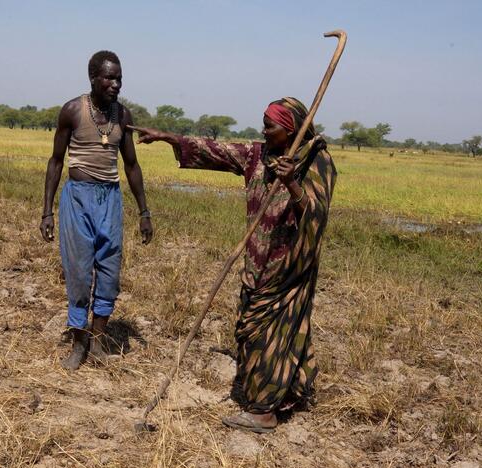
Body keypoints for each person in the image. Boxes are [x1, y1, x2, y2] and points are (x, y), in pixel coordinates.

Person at [131, 97, 336, 433]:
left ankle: (263, 412)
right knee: (253, 330)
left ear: (291, 129)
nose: (264, 130)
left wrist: (292, 184)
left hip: (288, 268)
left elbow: (316, 217)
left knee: (270, 336)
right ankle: (288, 392)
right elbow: (218, 150)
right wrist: (170, 138)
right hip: (256, 261)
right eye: (264, 123)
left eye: (270, 125)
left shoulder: (316, 162)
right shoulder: (258, 155)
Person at [40, 50, 154, 370]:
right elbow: (56, 161)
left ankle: (99, 340)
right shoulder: (72, 111)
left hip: (111, 199)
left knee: (108, 272)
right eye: (109, 77)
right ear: (93, 78)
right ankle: (79, 344)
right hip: (78, 198)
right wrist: (47, 211)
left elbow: (131, 165)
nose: (115, 83)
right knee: (78, 274)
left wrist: (144, 212)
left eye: (119, 78)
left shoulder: (124, 116)